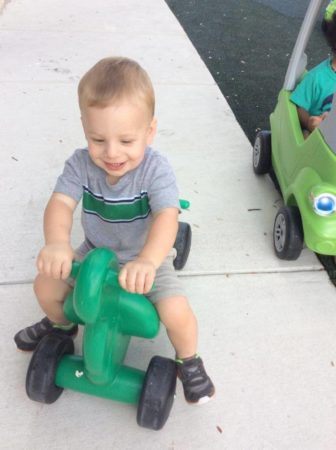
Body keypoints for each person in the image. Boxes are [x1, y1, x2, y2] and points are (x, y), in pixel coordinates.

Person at [14, 56, 215, 404]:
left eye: (126, 140)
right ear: (84, 128)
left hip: (144, 257)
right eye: (98, 138)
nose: (111, 152)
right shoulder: (80, 165)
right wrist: (58, 243)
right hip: (95, 253)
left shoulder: (155, 170)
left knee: (176, 312)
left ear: (149, 131)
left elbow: (167, 216)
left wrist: (150, 262)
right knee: (45, 285)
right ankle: (62, 326)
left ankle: (190, 360)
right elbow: (61, 203)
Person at [290, 0, 336, 134]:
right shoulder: (317, 78)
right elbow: (299, 107)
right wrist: (311, 123)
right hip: (321, 140)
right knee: (306, 136)